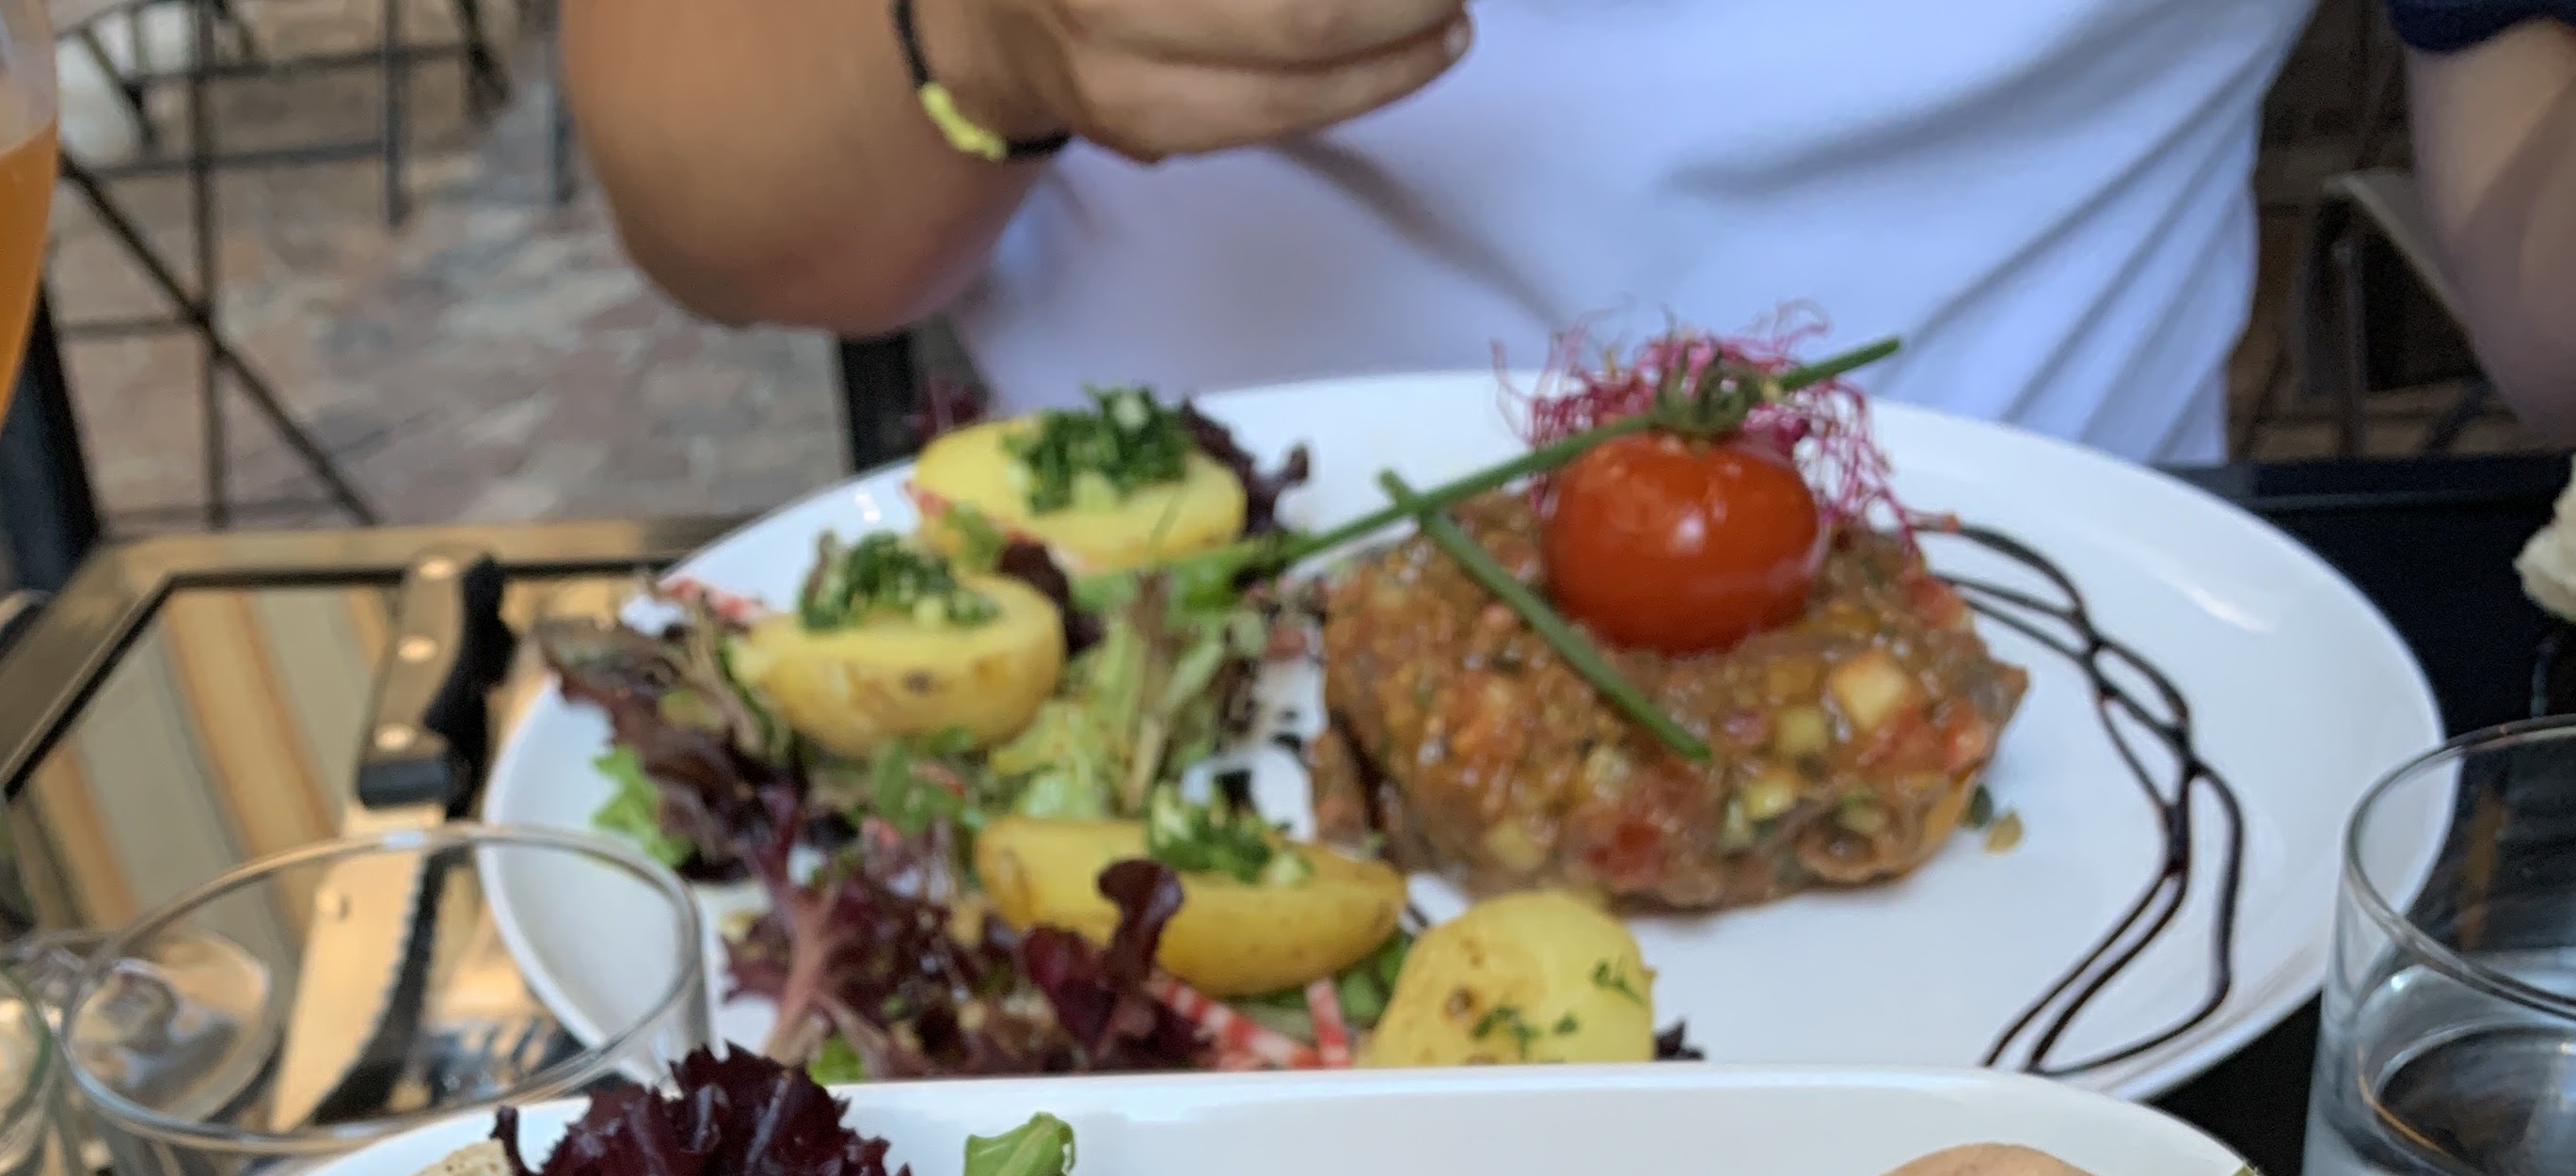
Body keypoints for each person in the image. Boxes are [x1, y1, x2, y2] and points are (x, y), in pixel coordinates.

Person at [560, 0, 2576, 463]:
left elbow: (2534, 269)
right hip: (1170, 726)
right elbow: (719, 206)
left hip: (2073, 758)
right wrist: (986, 38)